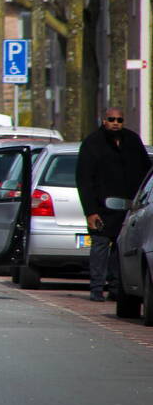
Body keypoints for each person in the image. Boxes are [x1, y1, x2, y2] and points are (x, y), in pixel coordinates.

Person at [76, 107, 152, 302]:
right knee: (100, 245)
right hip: (103, 208)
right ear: (104, 121)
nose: (115, 122)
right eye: (111, 119)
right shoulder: (92, 144)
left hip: (129, 209)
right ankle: (96, 288)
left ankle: (118, 288)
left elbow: (145, 171)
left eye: (119, 119)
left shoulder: (132, 141)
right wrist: (91, 211)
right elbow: (84, 180)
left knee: (123, 249)